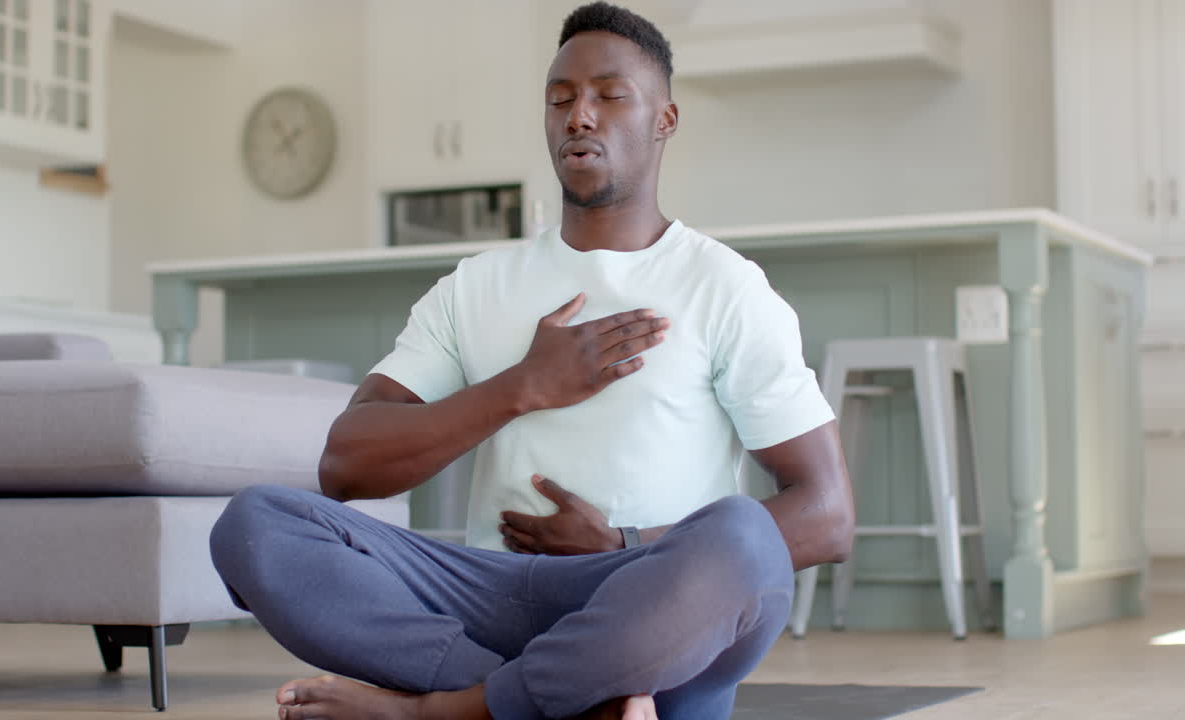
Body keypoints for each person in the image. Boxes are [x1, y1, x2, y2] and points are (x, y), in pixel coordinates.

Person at [209, 3, 855, 718]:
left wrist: (625, 542)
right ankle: (575, 704)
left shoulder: (725, 286)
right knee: (256, 524)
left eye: (609, 96)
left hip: (648, 606)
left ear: (665, 120)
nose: (580, 115)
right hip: (491, 591)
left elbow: (827, 516)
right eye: (561, 98)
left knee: (740, 538)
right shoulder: (476, 286)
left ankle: (449, 710)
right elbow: (346, 463)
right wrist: (522, 386)